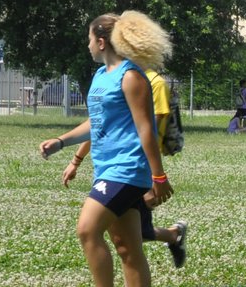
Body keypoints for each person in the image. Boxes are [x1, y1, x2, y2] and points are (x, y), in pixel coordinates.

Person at [40, 11, 174, 287]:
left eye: (89, 39)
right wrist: (62, 142)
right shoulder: (101, 77)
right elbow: (96, 122)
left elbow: (146, 129)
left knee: (87, 229)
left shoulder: (131, 77)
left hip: (127, 170)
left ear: (101, 41)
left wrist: (158, 177)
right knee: (128, 246)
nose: (87, 45)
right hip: (107, 169)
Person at [62, 62, 190, 270]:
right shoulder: (113, 77)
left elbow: (147, 132)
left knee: (129, 235)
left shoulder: (154, 83)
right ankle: (173, 235)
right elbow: (100, 125)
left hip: (135, 168)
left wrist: (152, 179)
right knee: (133, 233)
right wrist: (76, 160)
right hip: (115, 170)